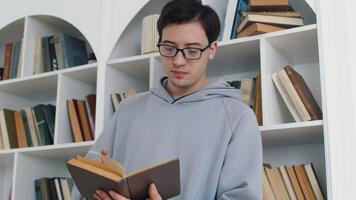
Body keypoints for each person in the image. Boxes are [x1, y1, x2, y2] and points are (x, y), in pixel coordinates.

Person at [72, 0, 262, 199]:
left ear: (212, 50)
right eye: (169, 48)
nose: (178, 61)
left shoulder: (238, 118)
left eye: (192, 50)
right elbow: (83, 187)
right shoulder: (127, 110)